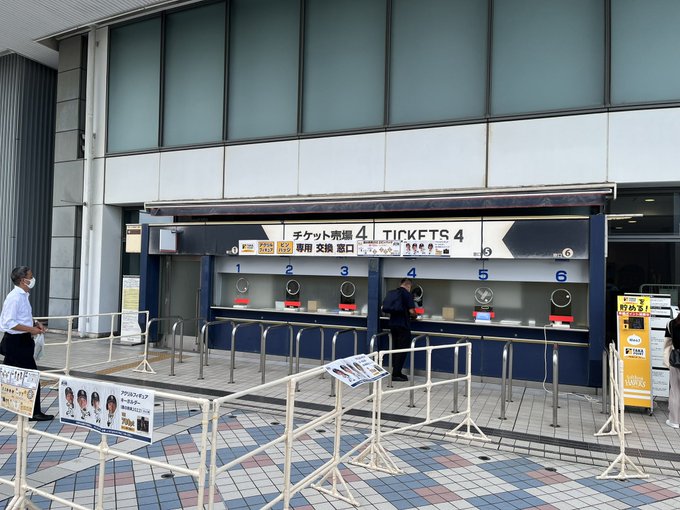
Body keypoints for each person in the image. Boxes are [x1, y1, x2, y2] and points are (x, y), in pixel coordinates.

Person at [0, 266, 53, 421]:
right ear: (24, 280)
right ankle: (34, 412)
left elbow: (22, 316)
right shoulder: (14, 297)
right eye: (31, 276)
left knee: (7, 376)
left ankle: (29, 410)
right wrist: (31, 329)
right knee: (31, 376)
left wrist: (35, 323)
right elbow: (8, 323)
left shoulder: (23, 296)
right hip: (16, 342)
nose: (33, 278)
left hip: (19, 342)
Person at [388, 278, 417, 381]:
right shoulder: (407, 295)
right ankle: (396, 374)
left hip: (393, 324)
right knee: (402, 349)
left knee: (396, 348)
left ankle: (397, 372)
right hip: (403, 326)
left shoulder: (393, 293)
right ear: (408, 285)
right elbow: (411, 311)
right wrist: (415, 315)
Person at [665, 311, 680, 428]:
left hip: (676, 361)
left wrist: (666, 361)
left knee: (675, 390)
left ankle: (674, 421)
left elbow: (667, 344)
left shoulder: (671, 324)